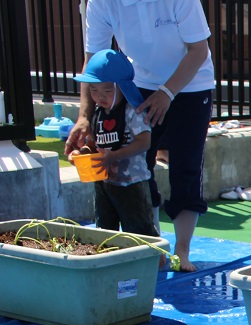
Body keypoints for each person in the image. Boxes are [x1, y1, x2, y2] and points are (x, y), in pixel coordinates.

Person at [66, 0, 216, 272]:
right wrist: (85, 116)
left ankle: (182, 251)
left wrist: (167, 93)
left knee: (186, 167)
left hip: (191, 84)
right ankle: (154, 247)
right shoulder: (101, 3)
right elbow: (94, 59)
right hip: (140, 85)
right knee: (139, 166)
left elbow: (198, 50)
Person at [71, 50, 157, 238]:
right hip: (104, 182)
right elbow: (93, 144)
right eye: (94, 90)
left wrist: (115, 156)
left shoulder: (132, 112)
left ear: (123, 88)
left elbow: (145, 142)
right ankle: (109, 255)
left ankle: (148, 254)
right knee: (104, 231)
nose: (99, 96)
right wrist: (82, 153)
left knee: (139, 231)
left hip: (131, 182)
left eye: (107, 91)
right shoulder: (98, 114)